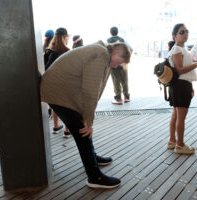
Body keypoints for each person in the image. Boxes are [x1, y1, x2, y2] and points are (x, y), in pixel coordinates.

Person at [40, 41, 131, 188]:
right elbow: (90, 91)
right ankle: (94, 177)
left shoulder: (101, 52)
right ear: (115, 53)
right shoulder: (100, 55)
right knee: (83, 131)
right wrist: (89, 121)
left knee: (83, 128)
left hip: (61, 92)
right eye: (118, 62)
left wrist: (87, 119)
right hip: (57, 93)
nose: (117, 66)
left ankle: (92, 158)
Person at [167, 24, 197, 154]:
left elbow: (183, 72)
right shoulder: (177, 50)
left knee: (175, 114)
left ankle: (172, 141)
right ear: (174, 36)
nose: (185, 34)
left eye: (187, 31)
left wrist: (191, 85)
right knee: (180, 117)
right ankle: (180, 145)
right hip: (180, 86)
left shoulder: (180, 49)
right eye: (182, 32)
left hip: (179, 85)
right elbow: (180, 70)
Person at [44, 27, 71, 138]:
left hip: (51, 84)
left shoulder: (49, 51)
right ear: (64, 37)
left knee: (56, 105)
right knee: (68, 107)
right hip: (64, 83)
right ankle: (67, 130)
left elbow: (45, 69)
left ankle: (56, 126)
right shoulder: (67, 52)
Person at [107, 26, 130, 105]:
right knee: (125, 80)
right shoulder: (122, 40)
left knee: (116, 81)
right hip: (123, 63)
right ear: (117, 32)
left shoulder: (108, 41)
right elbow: (130, 48)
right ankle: (126, 97)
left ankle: (118, 99)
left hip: (113, 64)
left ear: (110, 32)